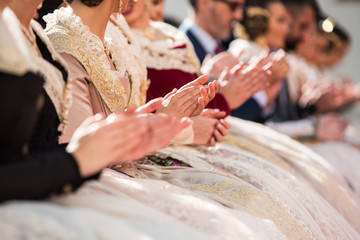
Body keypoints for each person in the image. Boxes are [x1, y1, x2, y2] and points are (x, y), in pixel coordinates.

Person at [0, 0, 188, 202]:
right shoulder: (62, 40)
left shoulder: (28, 30)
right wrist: (75, 160)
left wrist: (129, 132)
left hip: (50, 179)